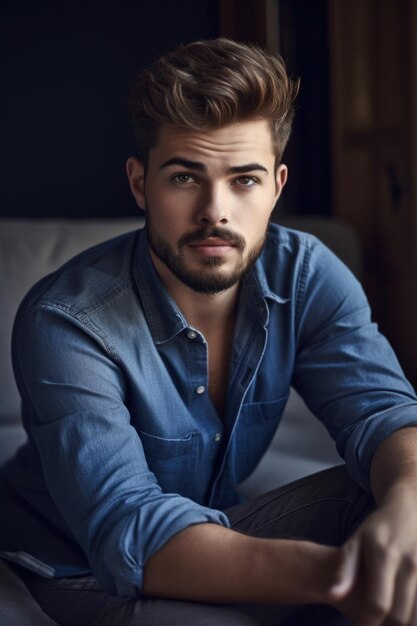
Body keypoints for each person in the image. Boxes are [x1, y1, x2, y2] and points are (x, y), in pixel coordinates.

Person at [1, 37, 417, 626]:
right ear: (140, 183)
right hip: (80, 565)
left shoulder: (306, 273)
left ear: (277, 185)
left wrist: (406, 516)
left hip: (215, 529)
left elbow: (385, 415)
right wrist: (344, 575)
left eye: (244, 180)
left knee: (394, 493)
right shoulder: (65, 321)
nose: (214, 211)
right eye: (184, 177)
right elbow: (128, 528)